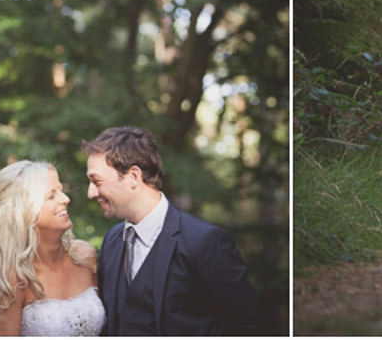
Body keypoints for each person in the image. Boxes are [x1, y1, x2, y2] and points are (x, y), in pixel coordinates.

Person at [83, 126, 263, 335]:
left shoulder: (204, 242)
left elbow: (249, 327)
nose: (91, 192)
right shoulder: (112, 241)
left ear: (133, 176)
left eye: (97, 181)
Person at [0, 160, 105, 336]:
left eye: (61, 191)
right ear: (24, 211)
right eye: (51, 196)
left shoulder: (85, 256)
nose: (65, 199)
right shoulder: (15, 278)